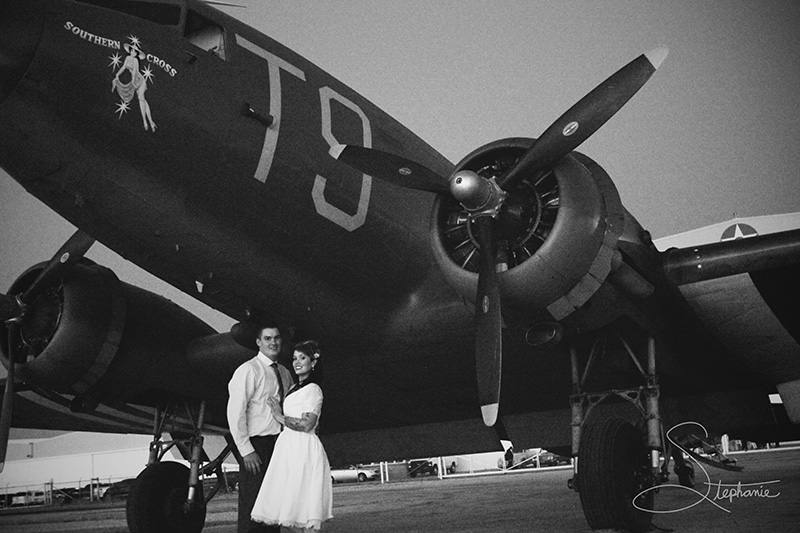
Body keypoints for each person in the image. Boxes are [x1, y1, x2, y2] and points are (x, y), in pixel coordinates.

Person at [251, 340, 333, 532]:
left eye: (302, 358)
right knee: (289, 512)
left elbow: (307, 424)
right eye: (294, 358)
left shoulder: (313, 389)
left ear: (313, 363)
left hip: (303, 449)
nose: (297, 362)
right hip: (288, 448)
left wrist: (279, 416)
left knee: (303, 509)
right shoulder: (293, 388)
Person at [227, 325, 293, 533]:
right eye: (267, 338)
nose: (273, 343)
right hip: (257, 447)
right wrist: (246, 450)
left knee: (273, 509)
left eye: (276, 338)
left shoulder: (283, 373)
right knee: (253, 508)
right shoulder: (248, 370)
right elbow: (235, 412)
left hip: (279, 445)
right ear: (258, 342)